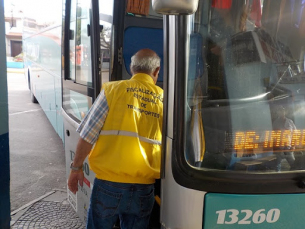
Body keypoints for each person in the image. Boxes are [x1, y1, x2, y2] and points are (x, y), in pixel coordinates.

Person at [68, 48, 163, 229]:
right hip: (144, 188)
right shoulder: (164, 100)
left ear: (131, 68)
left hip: (108, 186)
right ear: (156, 71)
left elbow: (88, 134)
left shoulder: (113, 90)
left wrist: (76, 168)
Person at [272, 105, 296, 171]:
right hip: (279, 148)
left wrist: (293, 146)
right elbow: (273, 137)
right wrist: (275, 148)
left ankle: (293, 178)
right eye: (280, 111)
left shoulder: (290, 122)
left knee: (293, 165)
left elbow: (295, 134)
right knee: (277, 166)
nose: (282, 112)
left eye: (283, 110)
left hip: (289, 148)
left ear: (284, 111)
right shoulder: (275, 123)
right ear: (278, 112)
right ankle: (278, 178)